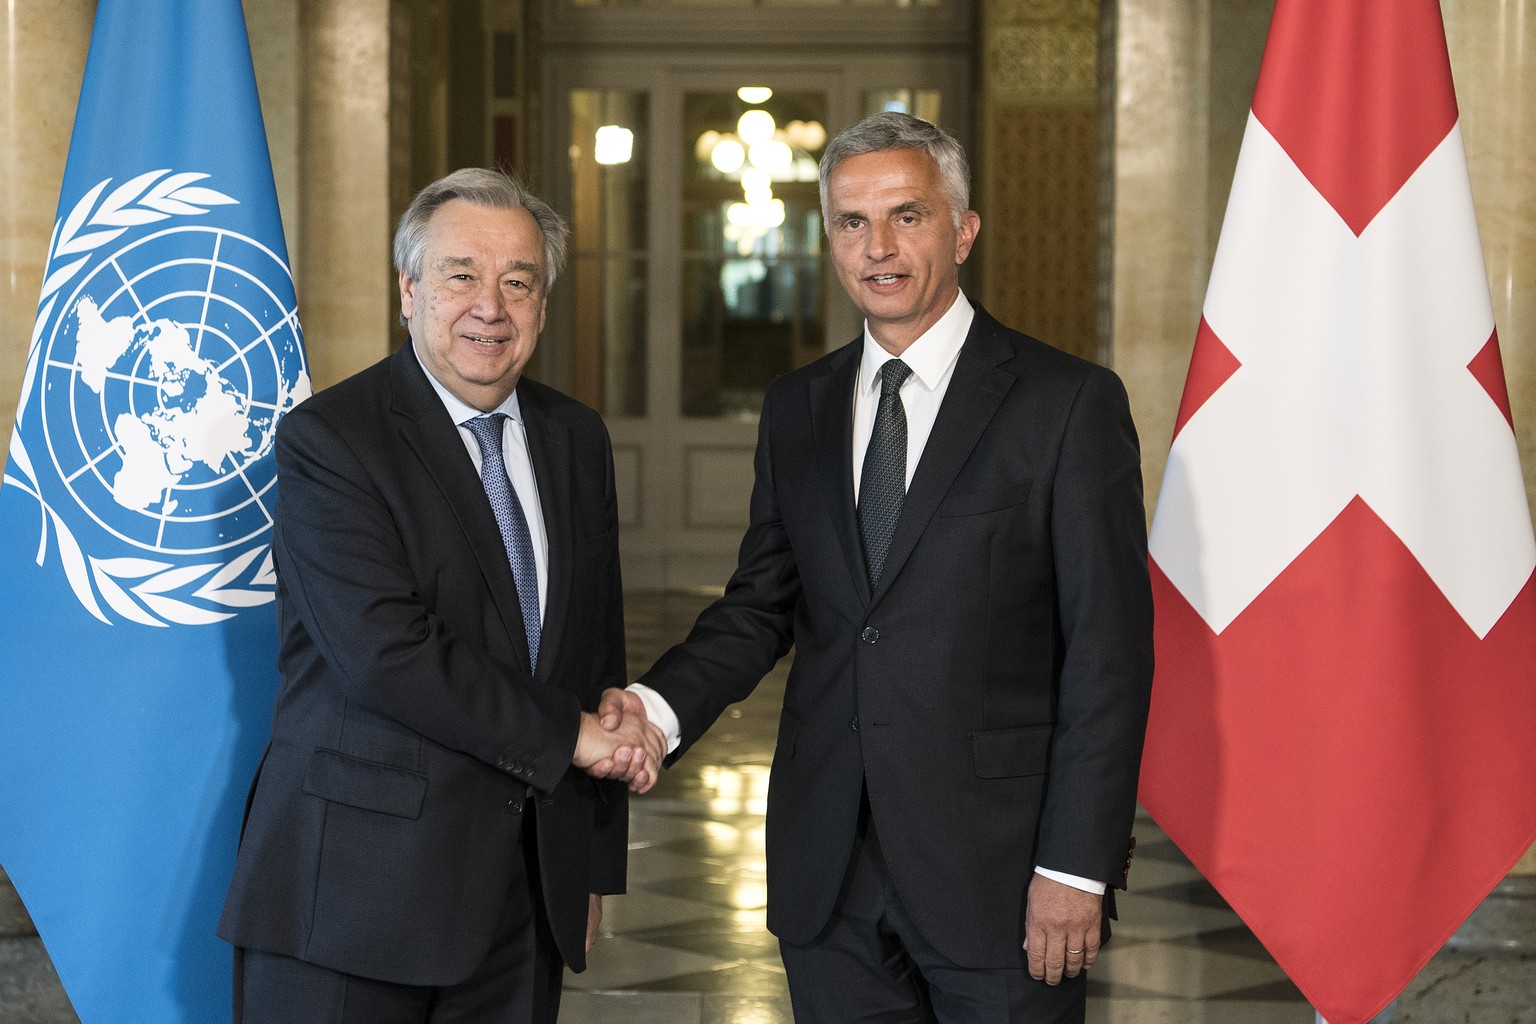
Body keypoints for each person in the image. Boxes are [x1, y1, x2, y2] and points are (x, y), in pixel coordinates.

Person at [599, 112, 1155, 1023]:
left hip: (1003, 877)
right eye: (852, 222)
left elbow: (1109, 656)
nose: (879, 248)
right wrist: (654, 715)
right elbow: (759, 606)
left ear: (964, 228)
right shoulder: (798, 408)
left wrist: (1075, 865)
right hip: (831, 875)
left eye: (908, 215)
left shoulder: (1067, 406)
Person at [218, 168, 663, 1024]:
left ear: (542, 303)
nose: (489, 306)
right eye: (461, 274)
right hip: (353, 903)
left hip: (523, 902)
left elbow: (593, 654)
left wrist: (589, 867)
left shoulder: (576, 439)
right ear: (410, 289)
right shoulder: (332, 440)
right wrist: (576, 738)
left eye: (519, 281)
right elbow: (388, 656)